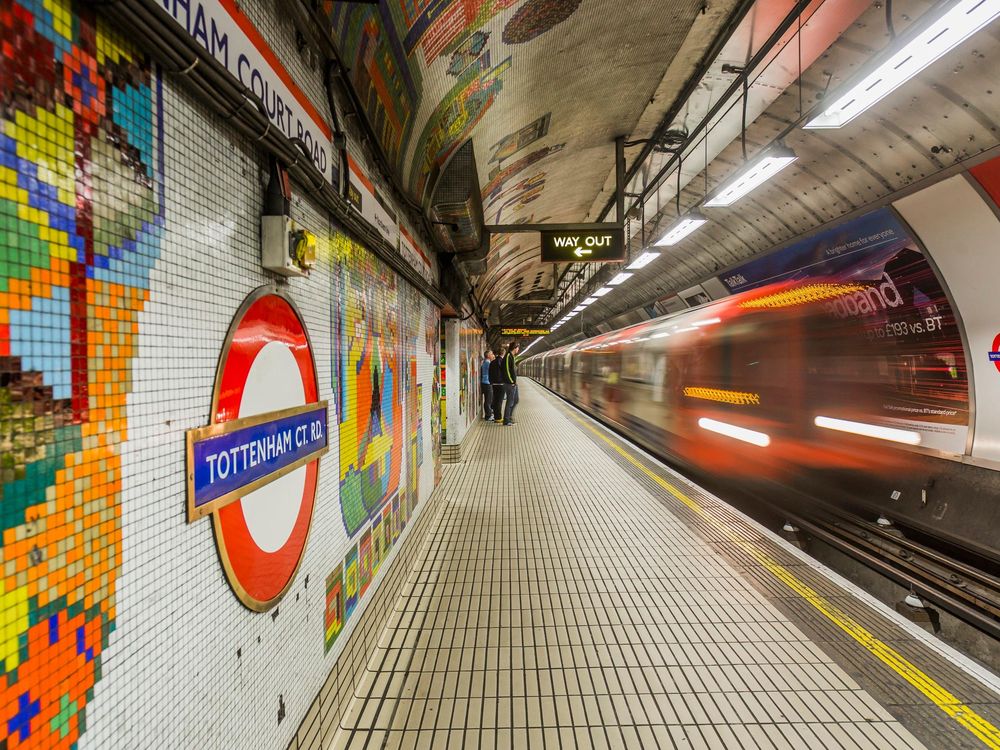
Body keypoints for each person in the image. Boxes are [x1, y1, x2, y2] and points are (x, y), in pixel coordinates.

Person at [501, 340, 520, 426]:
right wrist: (511, 381)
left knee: (515, 400)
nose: (518, 349)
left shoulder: (512, 356)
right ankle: (506, 420)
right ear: (515, 348)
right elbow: (507, 370)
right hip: (509, 383)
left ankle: (509, 417)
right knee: (510, 402)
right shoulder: (508, 356)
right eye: (518, 348)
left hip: (513, 383)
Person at [490, 346, 506, 422]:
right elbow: (505, 373)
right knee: (499, 401)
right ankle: (498, 418)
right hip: (501, 384)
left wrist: (491, 382)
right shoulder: (503, 362)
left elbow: (489, 373)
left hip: (494, 384)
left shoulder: (492, 362)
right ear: (503, 353)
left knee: (495, 400)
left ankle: (496, 417)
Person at [480, 350, 494, 420]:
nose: (493, 355)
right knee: (488, 400)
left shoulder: (485, 362)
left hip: (485, 383)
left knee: (488, 400)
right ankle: (488, 416)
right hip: (487, 383)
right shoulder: (488, 363)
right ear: (488, 355)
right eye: (491, 354)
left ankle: (488, 414)